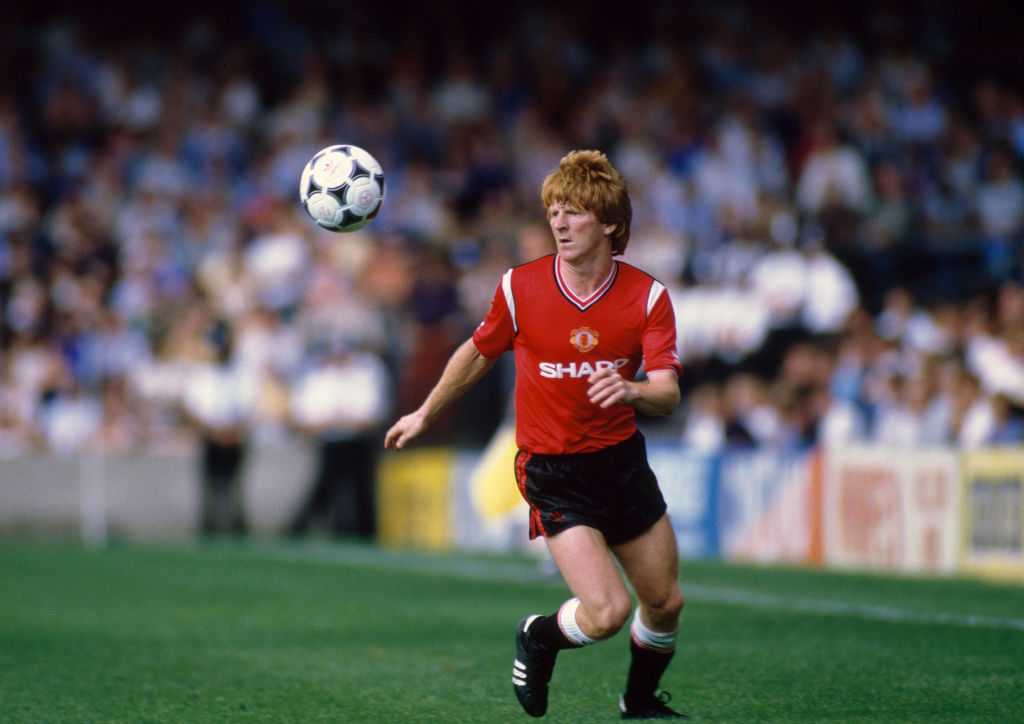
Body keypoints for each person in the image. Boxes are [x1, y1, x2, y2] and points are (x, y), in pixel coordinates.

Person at [385, 150, 687, 719]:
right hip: (552, 469)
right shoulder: (519, 287)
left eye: (573, 212)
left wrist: (631, 390)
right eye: (554, 211)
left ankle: (639, 702)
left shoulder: (647, 296)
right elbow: (478, 352)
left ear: (609, 223)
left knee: (665, 602)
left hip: (621, 462)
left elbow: (667, 390)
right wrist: (426, 412)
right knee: (605, 613)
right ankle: (539, 637)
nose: (559, 223)